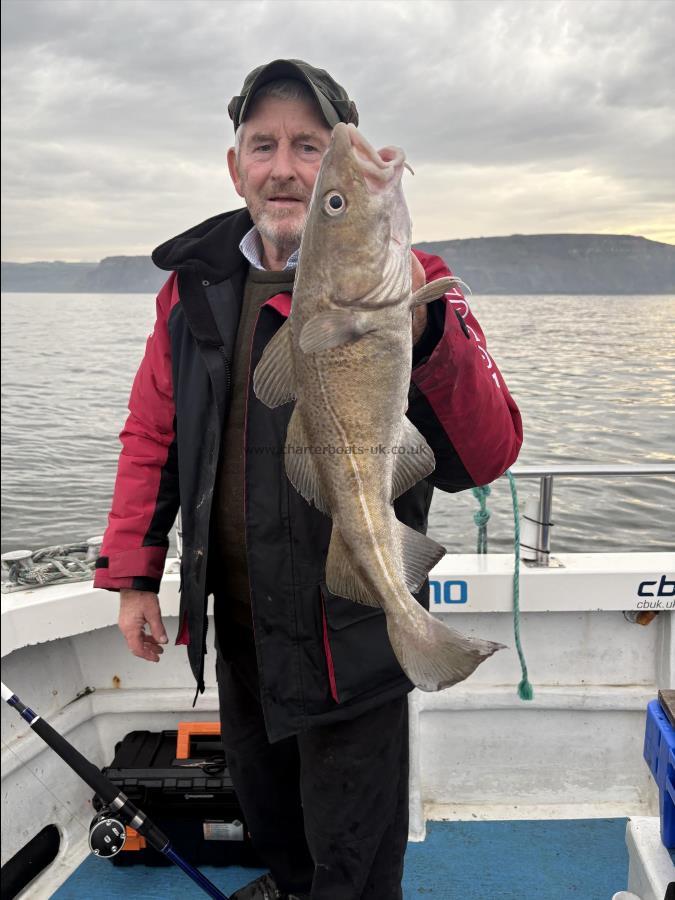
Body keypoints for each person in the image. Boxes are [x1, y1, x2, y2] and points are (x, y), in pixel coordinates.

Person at [94, 59, 523, 899]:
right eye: (264, 145)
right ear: (235, 167)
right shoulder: (193, 288)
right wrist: (133, 576)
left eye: (310, 148)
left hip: (349, 638)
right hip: (241, 628)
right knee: (274, 823)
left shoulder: (414, 288)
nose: (285, 168)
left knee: (353, 858)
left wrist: (427, 332)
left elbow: (487, 454)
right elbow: (152, 434)